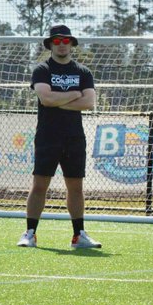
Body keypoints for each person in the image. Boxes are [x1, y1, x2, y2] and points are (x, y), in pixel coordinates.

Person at [17, 24, 102, 250]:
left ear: (72, 44)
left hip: (74, 137)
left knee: (75, 187)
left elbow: (89, 102)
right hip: (47, 135)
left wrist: (60, 99)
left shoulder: (83, 72)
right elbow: (46, 99)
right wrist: (74, 95)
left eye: (66, 41)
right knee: (39, 185)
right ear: (50, 44)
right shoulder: (42, 70)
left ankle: (78, 236)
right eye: (57, 41)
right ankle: (30, 233)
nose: (61, 44)